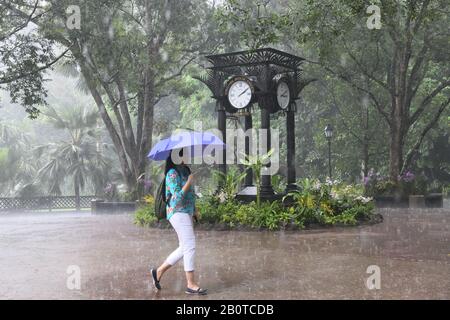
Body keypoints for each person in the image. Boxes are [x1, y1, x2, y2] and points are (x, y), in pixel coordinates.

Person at [150, 150, 207, 295]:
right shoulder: (172, 174)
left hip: (186, 212)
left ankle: (158, 271)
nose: (187, 157)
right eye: (184, 154)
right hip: (177, 212)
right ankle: (191, 284)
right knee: (190, 245)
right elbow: (176, 198)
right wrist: (188, 182)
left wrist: (194, 210)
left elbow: (190, 194)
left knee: (184, 247)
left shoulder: (186, 170)